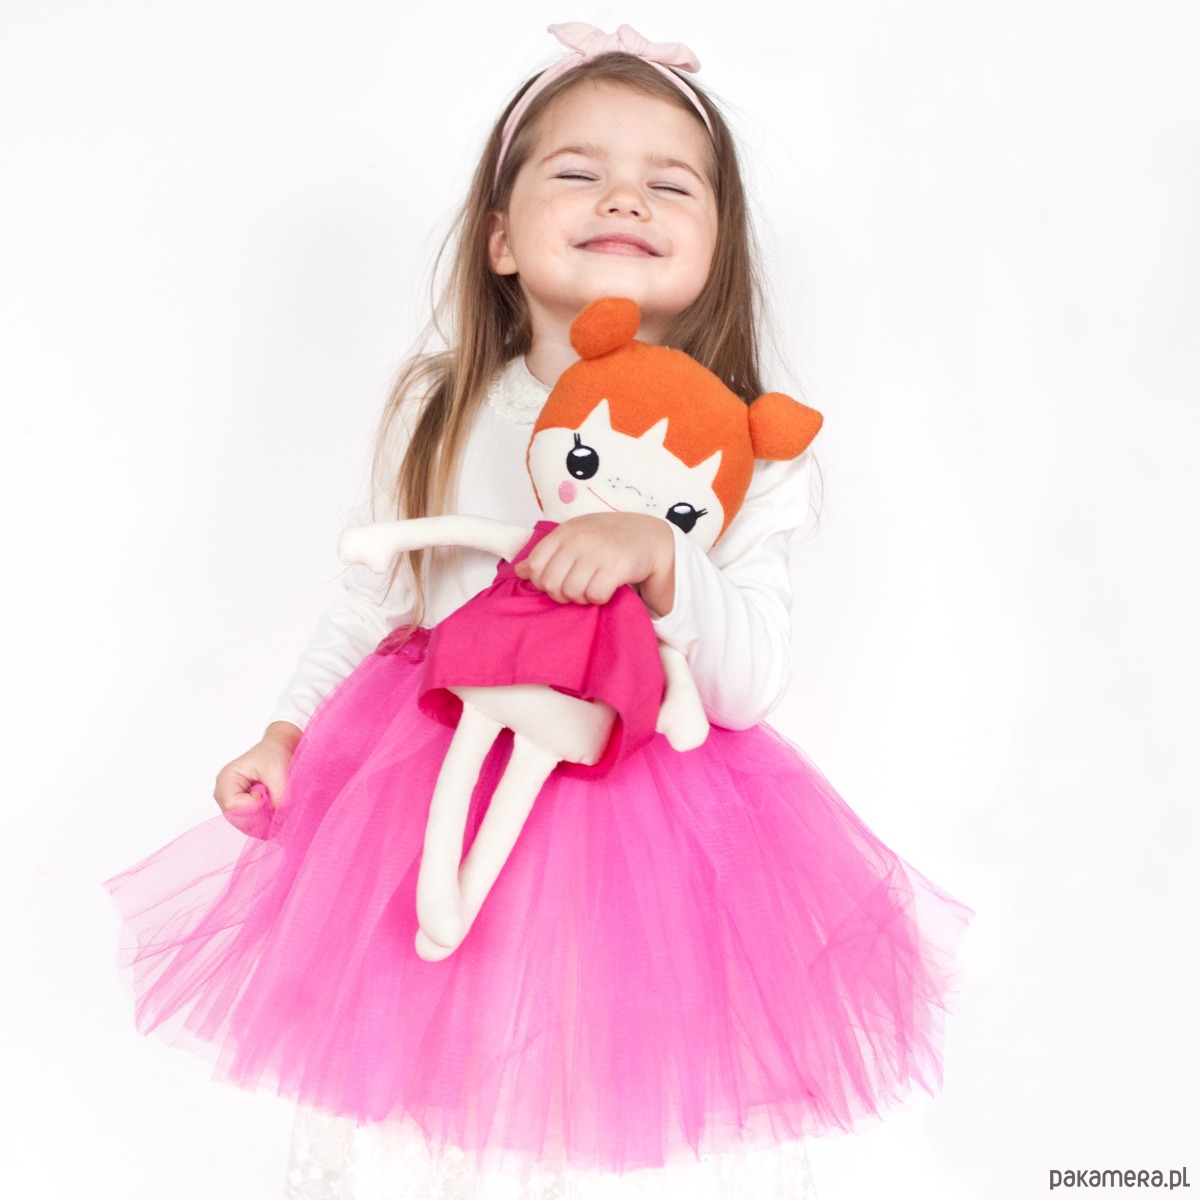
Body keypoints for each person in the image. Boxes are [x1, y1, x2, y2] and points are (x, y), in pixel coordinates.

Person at [107, 23, 969, 1200]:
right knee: (426, 1105)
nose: (625, 196)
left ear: (716, 248)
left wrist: (663, 557)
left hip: (634, 816)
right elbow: (372, 600)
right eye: (578, 170)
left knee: (583, 1097)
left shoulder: (751, 451)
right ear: (502, 239)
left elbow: (748, 681)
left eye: (671, 183)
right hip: (429, 791)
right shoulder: (446, 407)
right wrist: (287, 730)